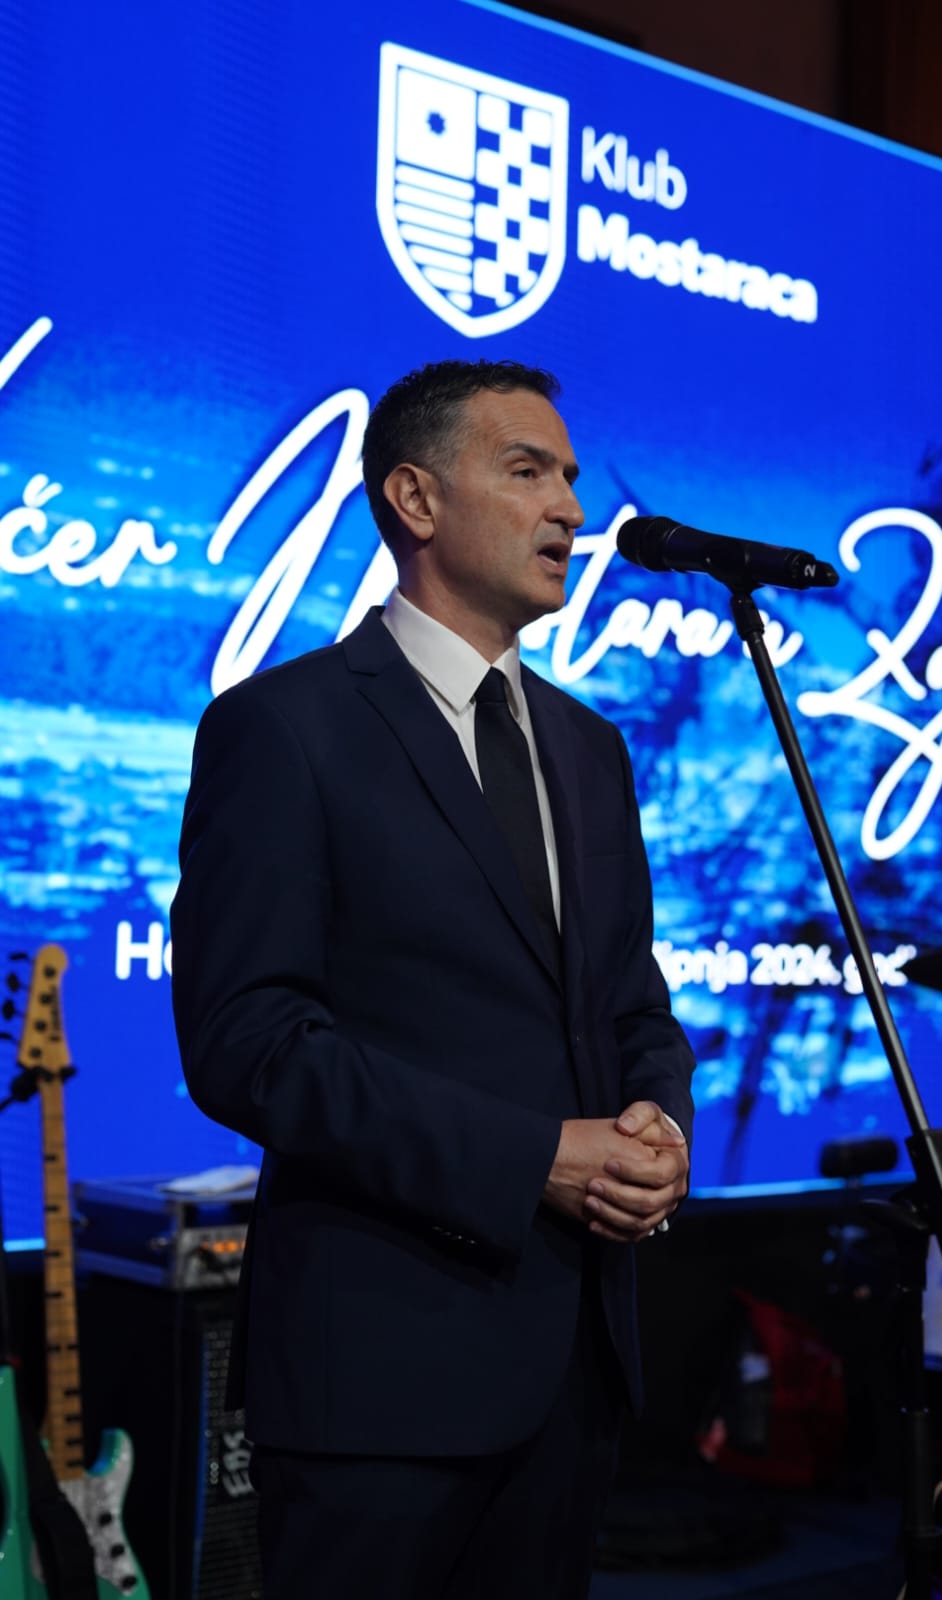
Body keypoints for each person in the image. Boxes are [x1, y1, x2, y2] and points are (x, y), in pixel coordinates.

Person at [170, 359, 695, 1599]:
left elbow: (630, 1002)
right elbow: (248, 1041)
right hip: (378, 1383)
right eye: (527, 471)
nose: (569, 506)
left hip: (572, 1374)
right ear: (413, 497)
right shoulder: (284, 727)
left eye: (570, 475)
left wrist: (656, 1124)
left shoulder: (590, 748)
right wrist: (533, 1158)